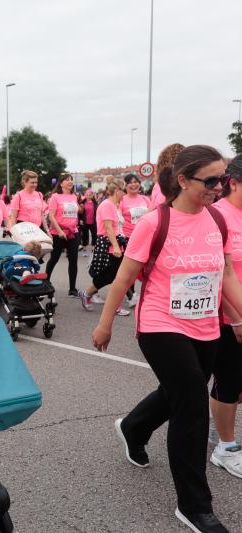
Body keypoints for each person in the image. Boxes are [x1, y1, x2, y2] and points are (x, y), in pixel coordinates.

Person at [93, 145, 242, 533]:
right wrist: (104, 324)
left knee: (178, 392)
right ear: (182, 180)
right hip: (160, 325)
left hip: (206, 325)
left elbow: (226, 275)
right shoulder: (154, 223)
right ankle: (194, 507)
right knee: (191, 402)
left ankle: (133, 427)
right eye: (210, 181)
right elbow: (123, 278)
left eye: (223, 179)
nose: (218, 187)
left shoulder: (217, 221)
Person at [208, 155, 242, 479]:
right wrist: (235, 317)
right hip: (225, 317)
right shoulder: (218, 216)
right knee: (228, 381)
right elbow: (218, 274)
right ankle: (226, 447)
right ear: (233, 182)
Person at [79, 182, 129, 316]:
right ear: (117, 191)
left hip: (116, 243)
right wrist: (116, 247)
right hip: (109, 244)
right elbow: (108, 228)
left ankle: (87, 293)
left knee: (112, 276)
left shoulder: (115, 205)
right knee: (113, 277)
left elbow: (117, 227)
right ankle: (113, 305)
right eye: (122, 190)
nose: (124, 194)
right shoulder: (107, 205)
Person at [45, 174, 81, 297]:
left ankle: (72, 289)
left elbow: (75, 214)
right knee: (54, 258)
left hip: (73, 233)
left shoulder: (74, 196)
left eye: (71, 179)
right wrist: (59, 231)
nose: (70, 181)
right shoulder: (55, 197)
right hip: (58, 233)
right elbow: (51, 216)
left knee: (73, 260)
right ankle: (46, 281)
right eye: (67, 180)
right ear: (61, 183)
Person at [121, 174, 152, 307]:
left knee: (147, 267)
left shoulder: (145, 199)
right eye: (130, 183)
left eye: (136, 182)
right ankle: (131, 295)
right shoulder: (122, 200)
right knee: (131, 268)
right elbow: (117, 219)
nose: (134, 185)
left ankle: (147, 294)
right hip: (128, 237)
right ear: (125, 185)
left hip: (145, 237)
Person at [7, 170, 50, 235]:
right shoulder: (18, 196)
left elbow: (41, 215)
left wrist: (47, 231)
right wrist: (15, 234)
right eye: (32, 183)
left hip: (38, 229)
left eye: (36, 182)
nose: (35, 185)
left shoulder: (39, 194)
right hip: (23, 231)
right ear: (25, 182)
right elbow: (13, 218)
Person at [79, 188, 98, 253]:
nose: (88, 196)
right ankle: (84, 248)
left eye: (89, 195)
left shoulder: (95, 203)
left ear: (92, 195)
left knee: (94, 235)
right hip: (84, 222)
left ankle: (93, 247)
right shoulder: (82, 203)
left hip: (93, 222)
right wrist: (80, 219)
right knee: (84, 236)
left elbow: (97, 212)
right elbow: (79, 212)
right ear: (84, 195)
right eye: (86, 195)